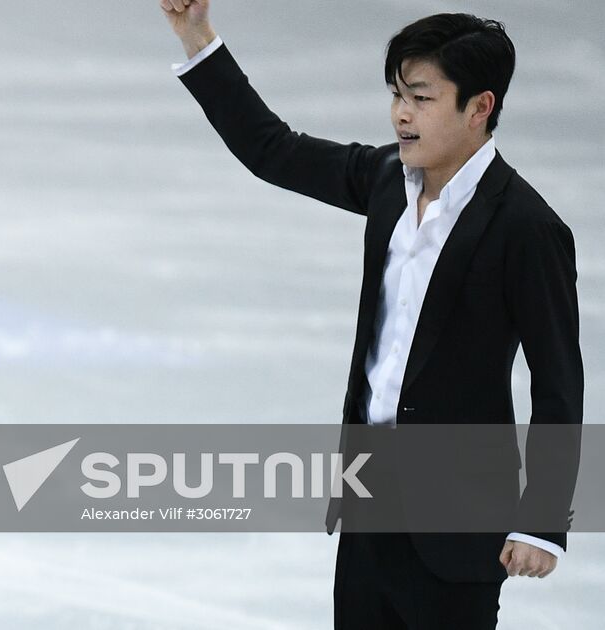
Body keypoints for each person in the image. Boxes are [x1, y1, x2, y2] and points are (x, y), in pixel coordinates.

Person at [158, 2, 582, 628]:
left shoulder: (527, 227)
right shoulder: (386, 179)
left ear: (479, 107)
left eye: (421, 98)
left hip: (457, 528)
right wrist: (197, 37)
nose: (401, 114)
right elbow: (272, 150)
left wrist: (542, 521)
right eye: (396, 95)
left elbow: (558, 383)